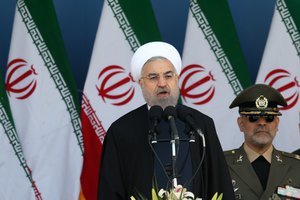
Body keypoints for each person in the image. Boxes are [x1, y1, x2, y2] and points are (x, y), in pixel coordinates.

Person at [97, 41, 235, 199]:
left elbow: (219, 183)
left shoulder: (199, 124)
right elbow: (110, 190)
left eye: (168, 76)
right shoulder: (122, 130)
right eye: (153, 77)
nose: (162, 83)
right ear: (141, 83)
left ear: (177, 79)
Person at [225, 84, 300, 200]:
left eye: (269, 118)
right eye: (253, 118)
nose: (262, 123)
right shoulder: (220, 165)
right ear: (241, 123)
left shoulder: (297, 166)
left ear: (277, 123)